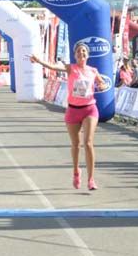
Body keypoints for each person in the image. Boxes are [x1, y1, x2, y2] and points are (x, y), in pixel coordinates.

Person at [31, 42, 104, 190]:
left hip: (90, 109)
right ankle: (76, 171)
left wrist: (101, 85)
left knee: (88, 142)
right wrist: (38, 61)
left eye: (83, 51)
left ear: (87, 55)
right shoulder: (71, 68)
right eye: (78, 51)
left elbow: (102, 83)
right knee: (76, 145)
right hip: (73, 110)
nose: (81, 53)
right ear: (75, 55)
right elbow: (52, 66)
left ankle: (91, 179)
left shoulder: (93, 71)